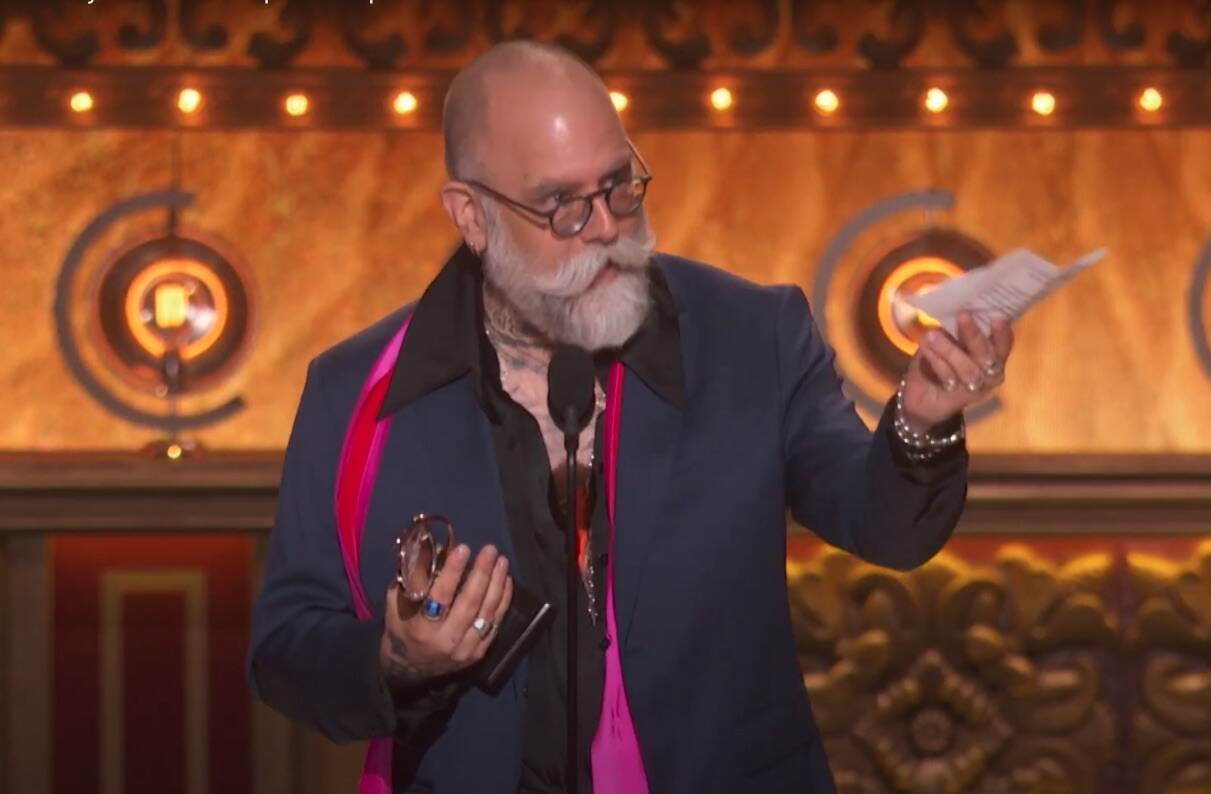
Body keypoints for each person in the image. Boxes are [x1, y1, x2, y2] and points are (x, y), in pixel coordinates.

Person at [246, 40, 1014, 794]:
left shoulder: (752, 337)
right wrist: (395, 657)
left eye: (618, 185)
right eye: (560, 205)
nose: (607, 226)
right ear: (471, 216)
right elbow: (284, 651)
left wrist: (920, 419)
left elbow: (885, 526)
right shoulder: (356, 392)